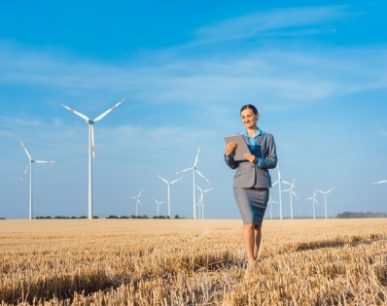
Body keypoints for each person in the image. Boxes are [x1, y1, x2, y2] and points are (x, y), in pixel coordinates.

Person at [224, 104, 277, 267]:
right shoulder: (237, 139)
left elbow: (273, 161)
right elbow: (232, 164)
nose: (246, 119)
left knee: (257, 225)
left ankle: (255, 255)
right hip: (242, 184)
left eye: (249, 116)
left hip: (261, 184)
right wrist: (227, 154)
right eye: (243, 117)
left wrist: (257, 160)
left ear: (257, 116)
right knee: (248, 222)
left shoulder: (268, 138)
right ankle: (250, 261)